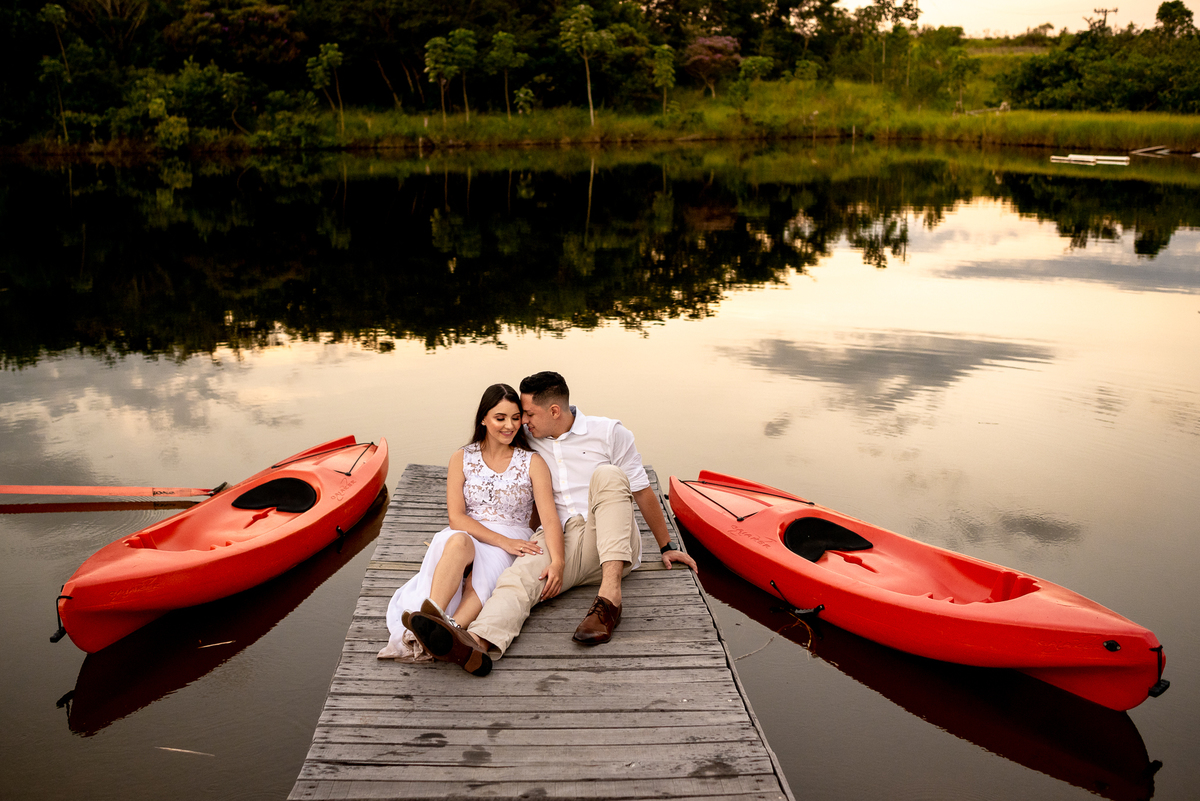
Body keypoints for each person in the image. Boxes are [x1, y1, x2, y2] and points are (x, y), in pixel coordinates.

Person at [408, 370, 697, 675]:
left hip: (610, 536)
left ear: (554, 411)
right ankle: (475, 643)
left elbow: (641, 490)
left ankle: (609, 599)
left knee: (608, 475)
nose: (523, 423)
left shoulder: (610, 432)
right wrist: (553, 560)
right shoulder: (530, 440)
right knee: (516, 579)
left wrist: (667, 545)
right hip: (559, 537)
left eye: (528, 414)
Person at [377, 383, 563, 675]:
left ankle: (450, 630)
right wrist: (499, 540)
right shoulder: (461, 458)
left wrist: (556, 561)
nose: (510, 425)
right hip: (471, 531)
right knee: (458, 541)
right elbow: (456, 518)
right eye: (500, 418)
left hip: (514, 537)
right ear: (484, 419)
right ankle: (433, 620)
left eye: (516, 418)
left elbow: (550, 519)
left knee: (486, 569)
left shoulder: (532, 462)